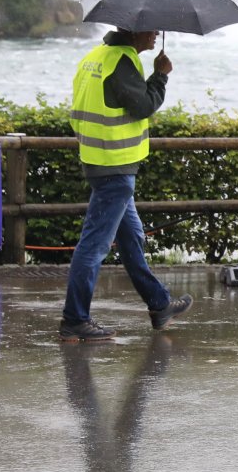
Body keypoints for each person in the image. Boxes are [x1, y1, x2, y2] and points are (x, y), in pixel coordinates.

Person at [61, 29, 191, 341]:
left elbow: (82, 110)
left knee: (132, 237)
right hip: (114, 166)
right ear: (135, 30)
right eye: (151, 28)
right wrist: (160, 76)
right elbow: (143, 106)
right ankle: (74, 319)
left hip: (100, 159)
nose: (156, 33)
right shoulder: (122, 61)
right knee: (94, 245)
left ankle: (159, 304)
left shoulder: (96, 56)